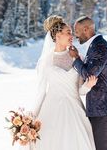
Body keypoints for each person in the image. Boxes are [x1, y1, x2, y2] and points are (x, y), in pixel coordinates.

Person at [31, 15, 97, 150]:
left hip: (74, 109)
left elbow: (80, 90)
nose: (71, 35)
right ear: (57, 36)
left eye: (71, 33)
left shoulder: (78, 57)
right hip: (51, 110)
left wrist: (88, 86)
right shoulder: (46, 61)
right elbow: (41, 91)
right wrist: (31, 116)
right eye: (68, 33)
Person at [69, 16, 107, 150]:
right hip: (98, 109)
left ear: (86, 29)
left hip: (104, 108)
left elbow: (90, 75)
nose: (75, 35)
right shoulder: (94, 46)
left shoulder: (100, 47)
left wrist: (76, 58)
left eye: (76, 31)